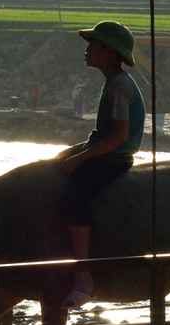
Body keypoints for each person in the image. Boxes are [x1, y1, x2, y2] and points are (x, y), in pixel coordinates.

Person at [56, 21, 145, 309]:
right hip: (107, 151)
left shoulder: (119, 85)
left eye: (93, 46)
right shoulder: (114, 82)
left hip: (115, 157)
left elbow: (119, 135)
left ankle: (84, 275)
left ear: (109, 52)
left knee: (76, 196)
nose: (87, 51)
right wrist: (74, 151)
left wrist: (81, 158)